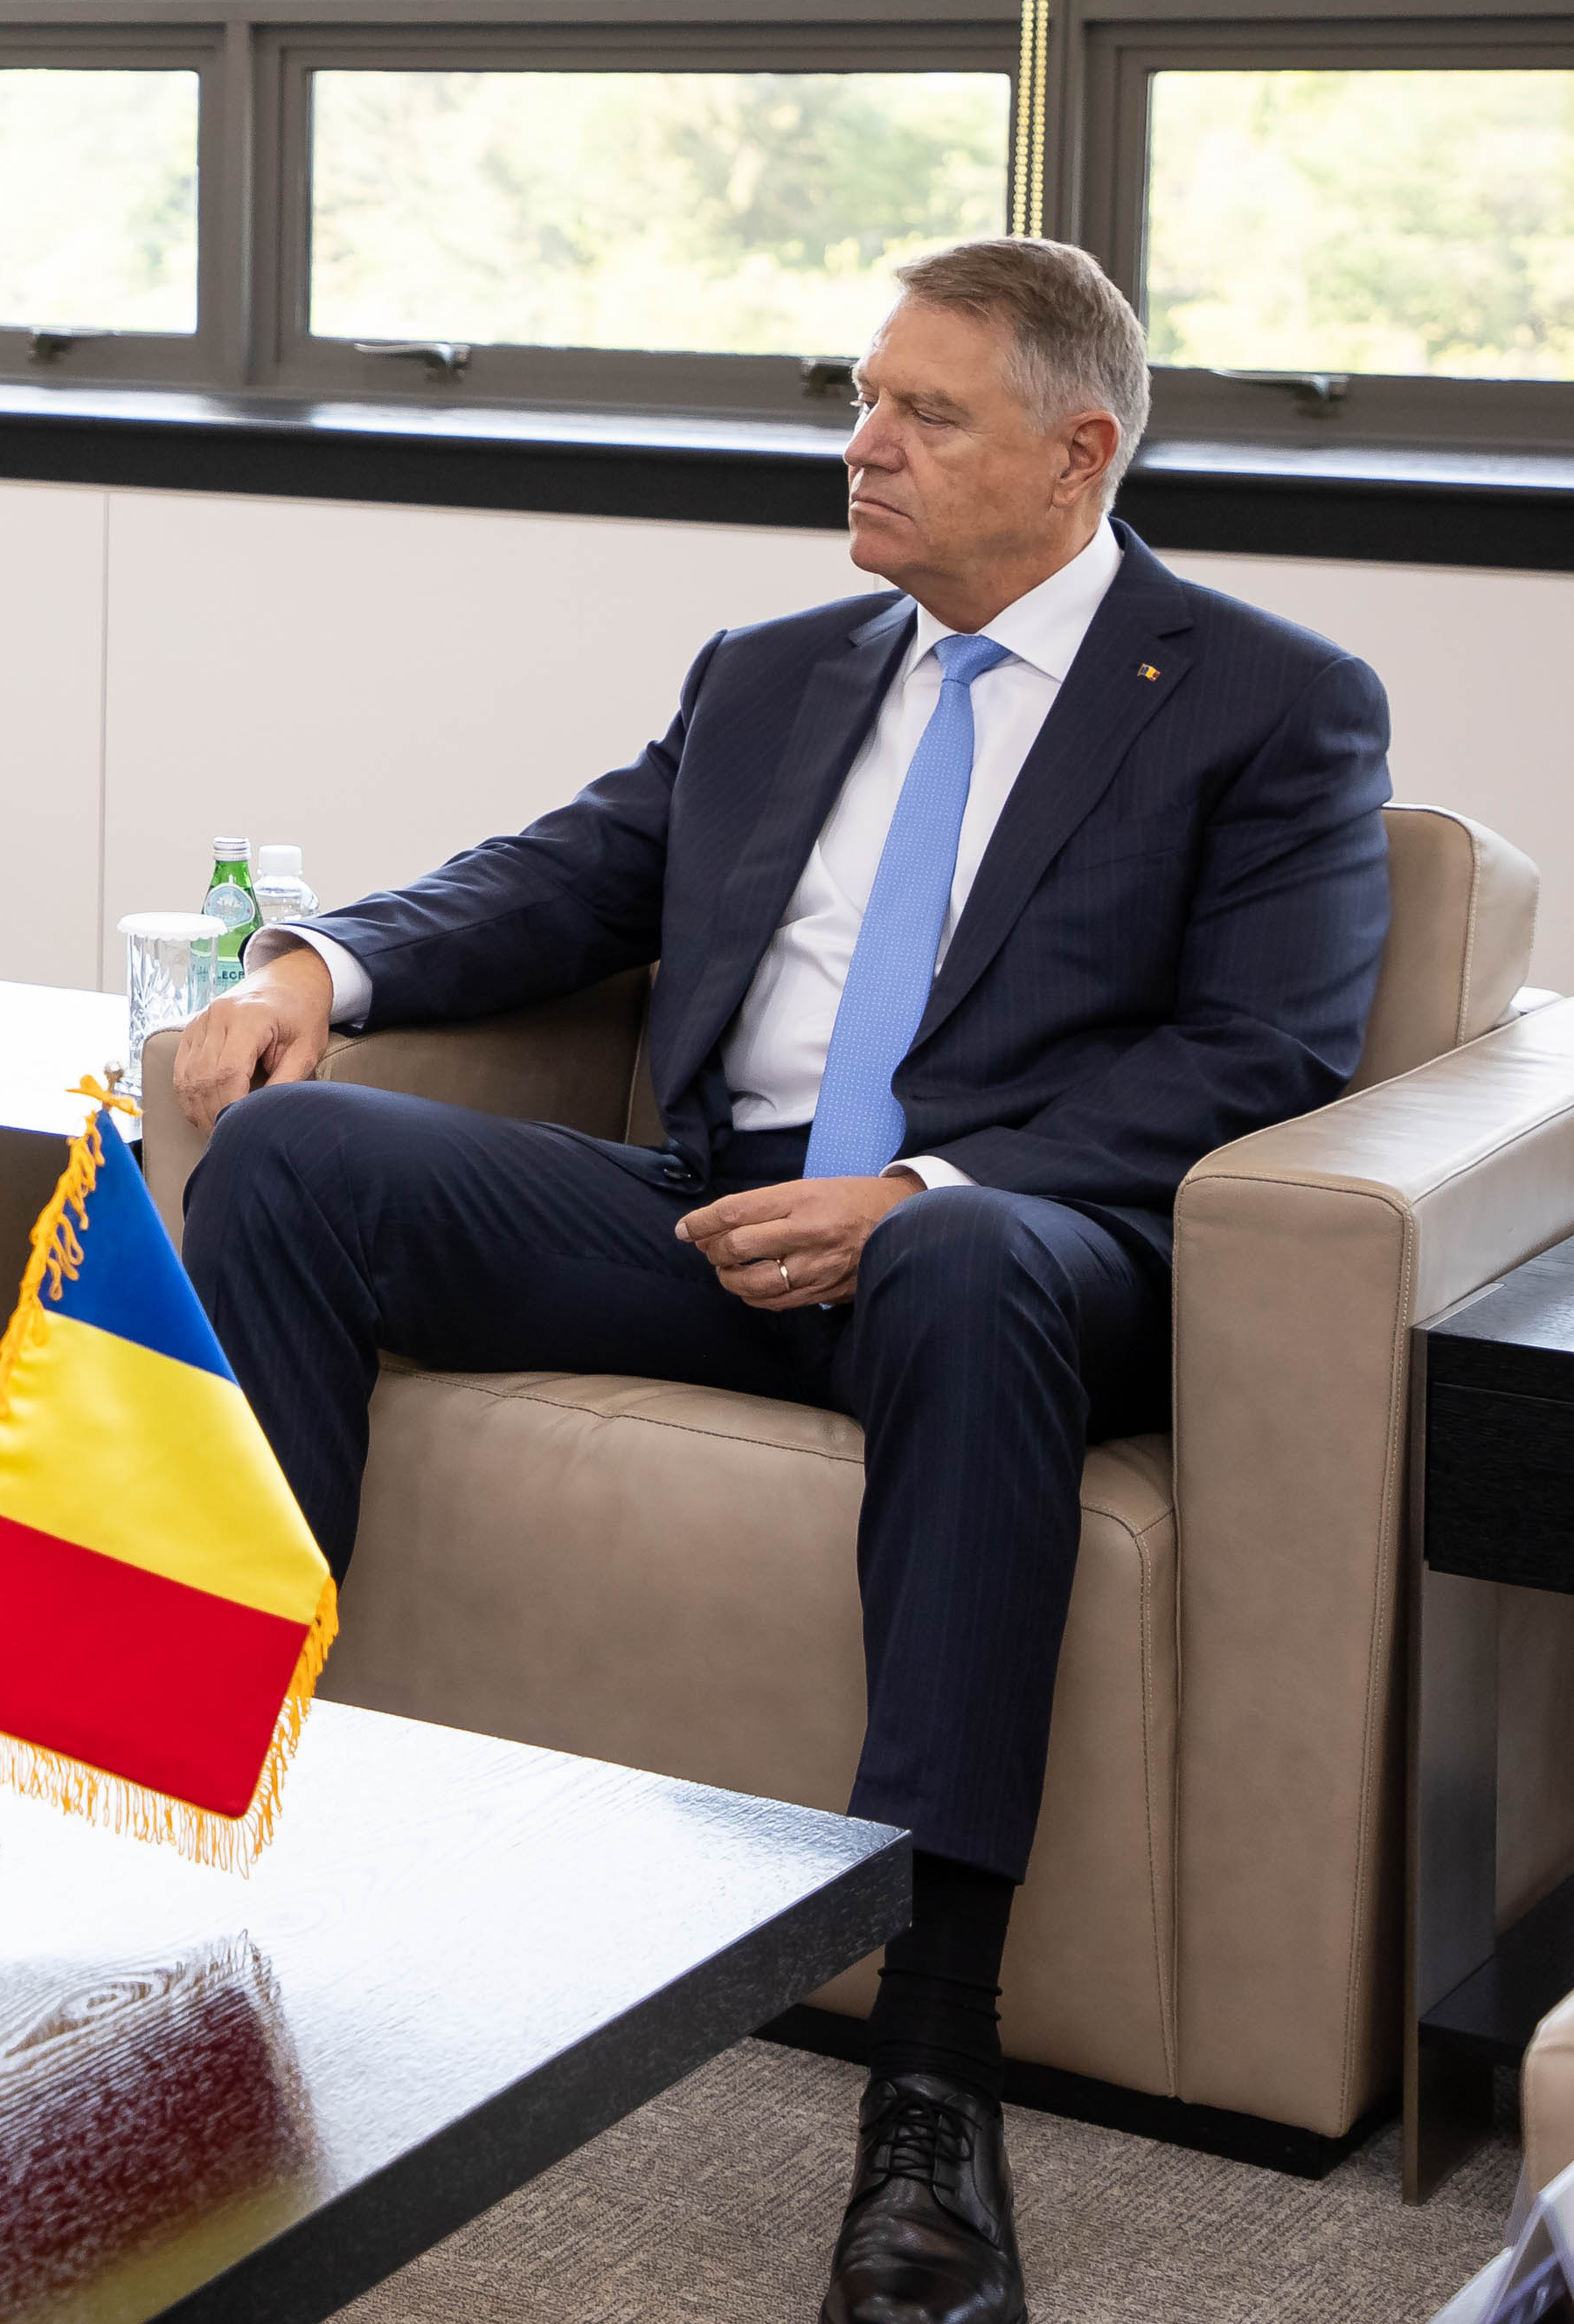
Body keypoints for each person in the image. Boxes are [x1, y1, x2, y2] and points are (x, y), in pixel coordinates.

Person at [172, 239, 1390, 2324]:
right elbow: (562, 874)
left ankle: (931, 2071)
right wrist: (325, 962)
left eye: (929, 414)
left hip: (1019, 1255)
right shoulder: (776, 669)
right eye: (865, 396)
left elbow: (1260, 1057)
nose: (867, 445)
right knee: (293, 1154)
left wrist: (919, 1181)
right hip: (715, 1224)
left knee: (967, 1261)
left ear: (1081, 455)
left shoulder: (1271, 702)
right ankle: (196, 1833)